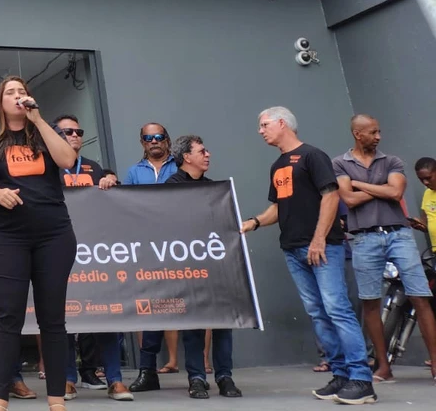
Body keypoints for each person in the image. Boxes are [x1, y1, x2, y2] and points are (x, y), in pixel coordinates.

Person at [241, 106, 376, 405]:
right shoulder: (278, 166)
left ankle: (362, 380)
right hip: (292, 249)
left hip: (322, 247)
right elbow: (277, 207)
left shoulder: (313, 156)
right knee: (319, 313)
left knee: (337, 308)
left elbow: (331, 195)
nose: (260, 131)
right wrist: (253, 223)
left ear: (282, 123)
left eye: (264, 125)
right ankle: (340, 375)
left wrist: (318, 239)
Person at [0, 77, 78, 411]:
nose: (17, 96)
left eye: (21, 92)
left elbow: (68, 161)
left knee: (52, 318)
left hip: (54, 235)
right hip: (6, 236)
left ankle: (56, 399)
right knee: (8, 315)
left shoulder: (43, 131)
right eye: (10, 93)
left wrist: (39, 119)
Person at [333, 116, 436, 384]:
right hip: (363, 239)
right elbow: (349, 199)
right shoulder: (340, 163)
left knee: (420, 296)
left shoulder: (392, 161)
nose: (378, 136)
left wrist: (361, 184)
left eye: (379, 131)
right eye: (373, 132)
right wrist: (382, 189)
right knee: (369, 302)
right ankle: (383, 366)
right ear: (358, 133)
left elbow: (396, 194)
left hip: (398, 234)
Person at [53, 115, 130, 402]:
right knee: (60, 318)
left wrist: (111, 179)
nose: (74, 135)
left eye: (78, 131)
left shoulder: (93, 167)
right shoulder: (48, 168)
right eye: (67, 131)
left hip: (96, 252)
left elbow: (111, 203)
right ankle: (67, 379)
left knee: (105, 313)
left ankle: (115, 380)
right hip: (61, 251)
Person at [165, 135, 241, 400]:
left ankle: (224, 376)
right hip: (187, 264)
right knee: (193, 322)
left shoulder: (213, 188)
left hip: (215, 264)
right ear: (186, 157)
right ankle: (196, 378)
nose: (208, 155)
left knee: (222, 321)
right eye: (202, 151)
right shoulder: (171, 186)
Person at [125, 122, 178, 392]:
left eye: (158, 136)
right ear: (142, 142)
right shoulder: (134, 172)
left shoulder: (181, 167)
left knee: (193, 302)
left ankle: (200, 371)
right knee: (150, 307)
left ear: (167, 140)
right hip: (147, 248)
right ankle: (147, 371)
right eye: (148, 137)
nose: (154, 141)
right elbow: (129, 208)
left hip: (180, 247)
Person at [409, 157, 436, 251]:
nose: (425, 182)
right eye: (421, 179)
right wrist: (420, 225)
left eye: (428, 178)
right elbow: (426, 223)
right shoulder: (427, 193)